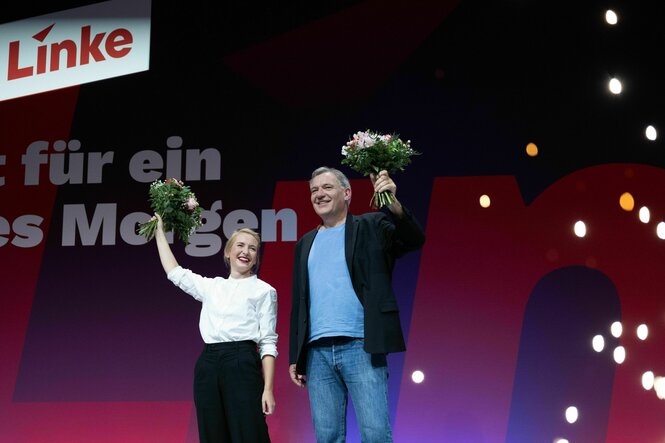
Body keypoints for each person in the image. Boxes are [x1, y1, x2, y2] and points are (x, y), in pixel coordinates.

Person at [288, 166, 425, 442]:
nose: (319, 194)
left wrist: (392, 202)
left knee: (375, 434)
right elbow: (300, 303)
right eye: (314, 190)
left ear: (347, 193)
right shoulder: (305, 243)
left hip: (362, 346)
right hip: (318, 354)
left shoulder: (371, 226)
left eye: (327, 187)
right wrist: (295, 356)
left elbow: (413, 239)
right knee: (327, 437)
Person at [153, 213, 277, 443]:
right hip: (208, 363)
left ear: (256, 257)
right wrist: (160, 231)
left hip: (243, 362)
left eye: (252, 248)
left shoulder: (264, 291)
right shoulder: (212, 287)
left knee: (250, 433)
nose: (246, 251)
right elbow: (174, 272)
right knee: (212, 434)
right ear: (228, 252)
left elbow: (268, 342)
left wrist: (268, 388)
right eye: (240, 245)